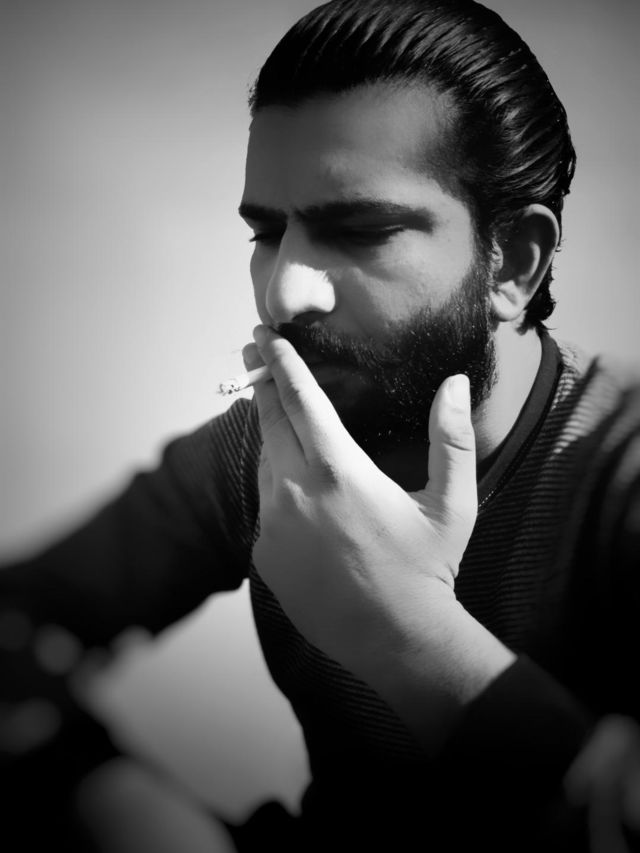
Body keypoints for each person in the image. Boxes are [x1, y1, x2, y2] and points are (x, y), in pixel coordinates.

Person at [2, 0, 639, 850]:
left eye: (358, 230)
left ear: (513, 261)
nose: (283, 292)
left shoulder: (620, 471)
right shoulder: (263, 457)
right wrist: (117, 799)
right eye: (268, 232)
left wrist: (405, 629)